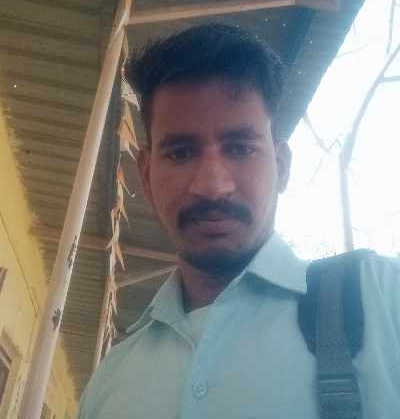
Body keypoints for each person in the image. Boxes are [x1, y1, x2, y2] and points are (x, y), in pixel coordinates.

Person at [78, 24, 400, 419]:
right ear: (146, 174)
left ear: (282, 166)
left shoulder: (383, 299)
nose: (212, 187)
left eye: (240, 148)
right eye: (180, 153)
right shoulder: (111, 381)